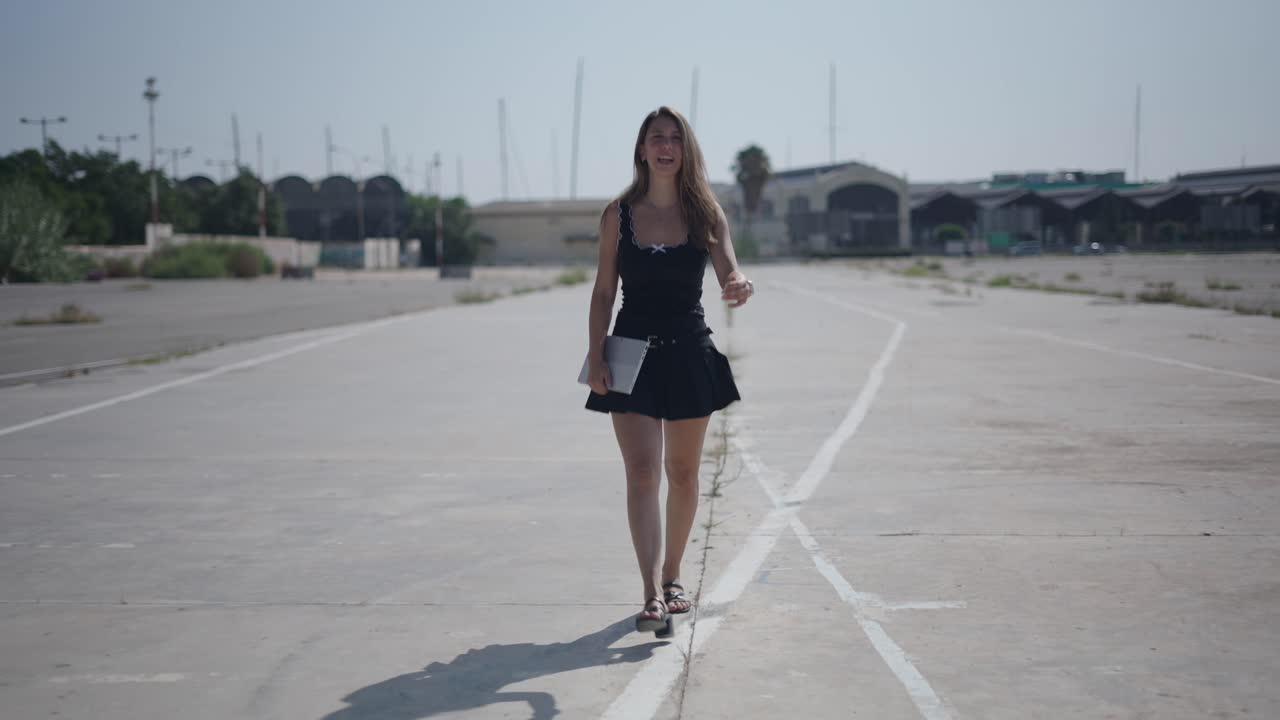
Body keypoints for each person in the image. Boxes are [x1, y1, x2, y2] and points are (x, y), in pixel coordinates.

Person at [584, 106, 754, 634]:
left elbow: (729, 267)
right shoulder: (618, 214)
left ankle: (675, 577)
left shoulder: (706, 213)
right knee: (641, 472)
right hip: (630, 355)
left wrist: (738, 283)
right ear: (641, 149)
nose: (665, 145)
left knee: (681, 473)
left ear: (686, 150)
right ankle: (651, 592)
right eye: (656, 137)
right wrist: (595, 356)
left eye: (675, 138)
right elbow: (604, 290)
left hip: (687, 352)